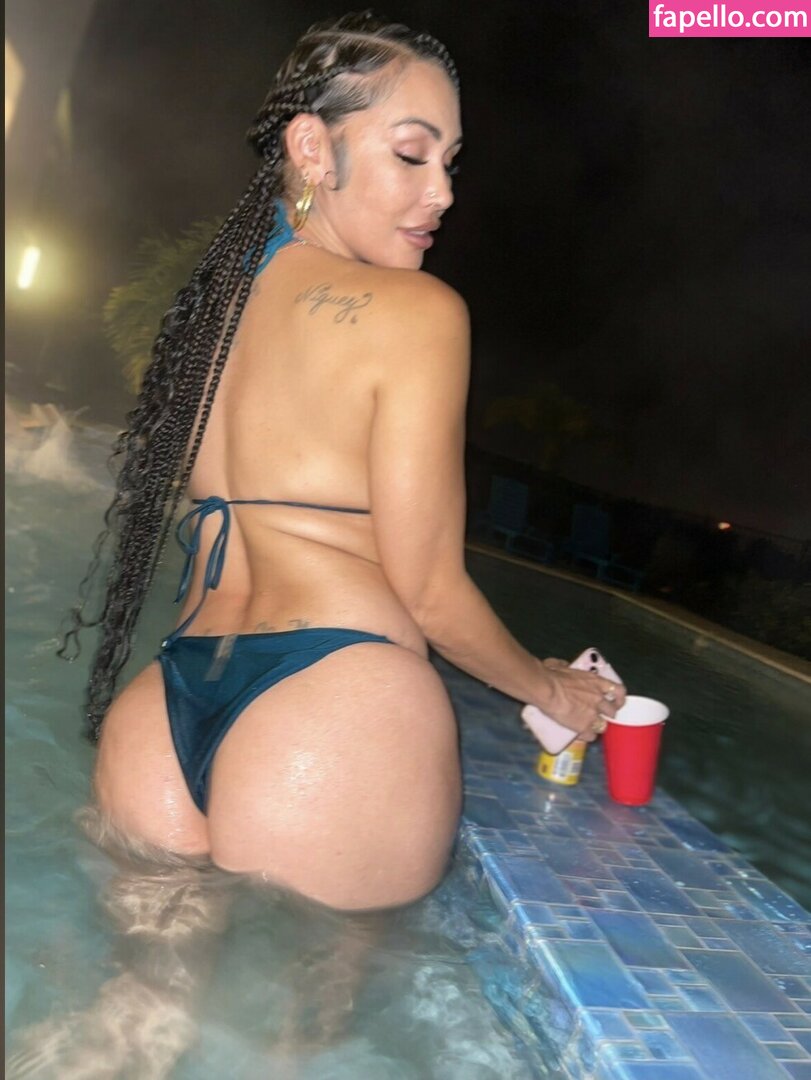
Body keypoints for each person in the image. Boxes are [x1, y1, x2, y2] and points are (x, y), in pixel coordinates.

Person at [62, 12, 624, 916]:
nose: (442, 193)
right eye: (411, 155)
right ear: (311, 149)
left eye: (450, 163)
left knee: (140, 999)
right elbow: (428, 591)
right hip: (335, 700)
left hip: (167, 706)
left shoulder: (207, 320)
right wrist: (549, 688)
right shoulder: (417, 313)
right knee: (319, 1005)